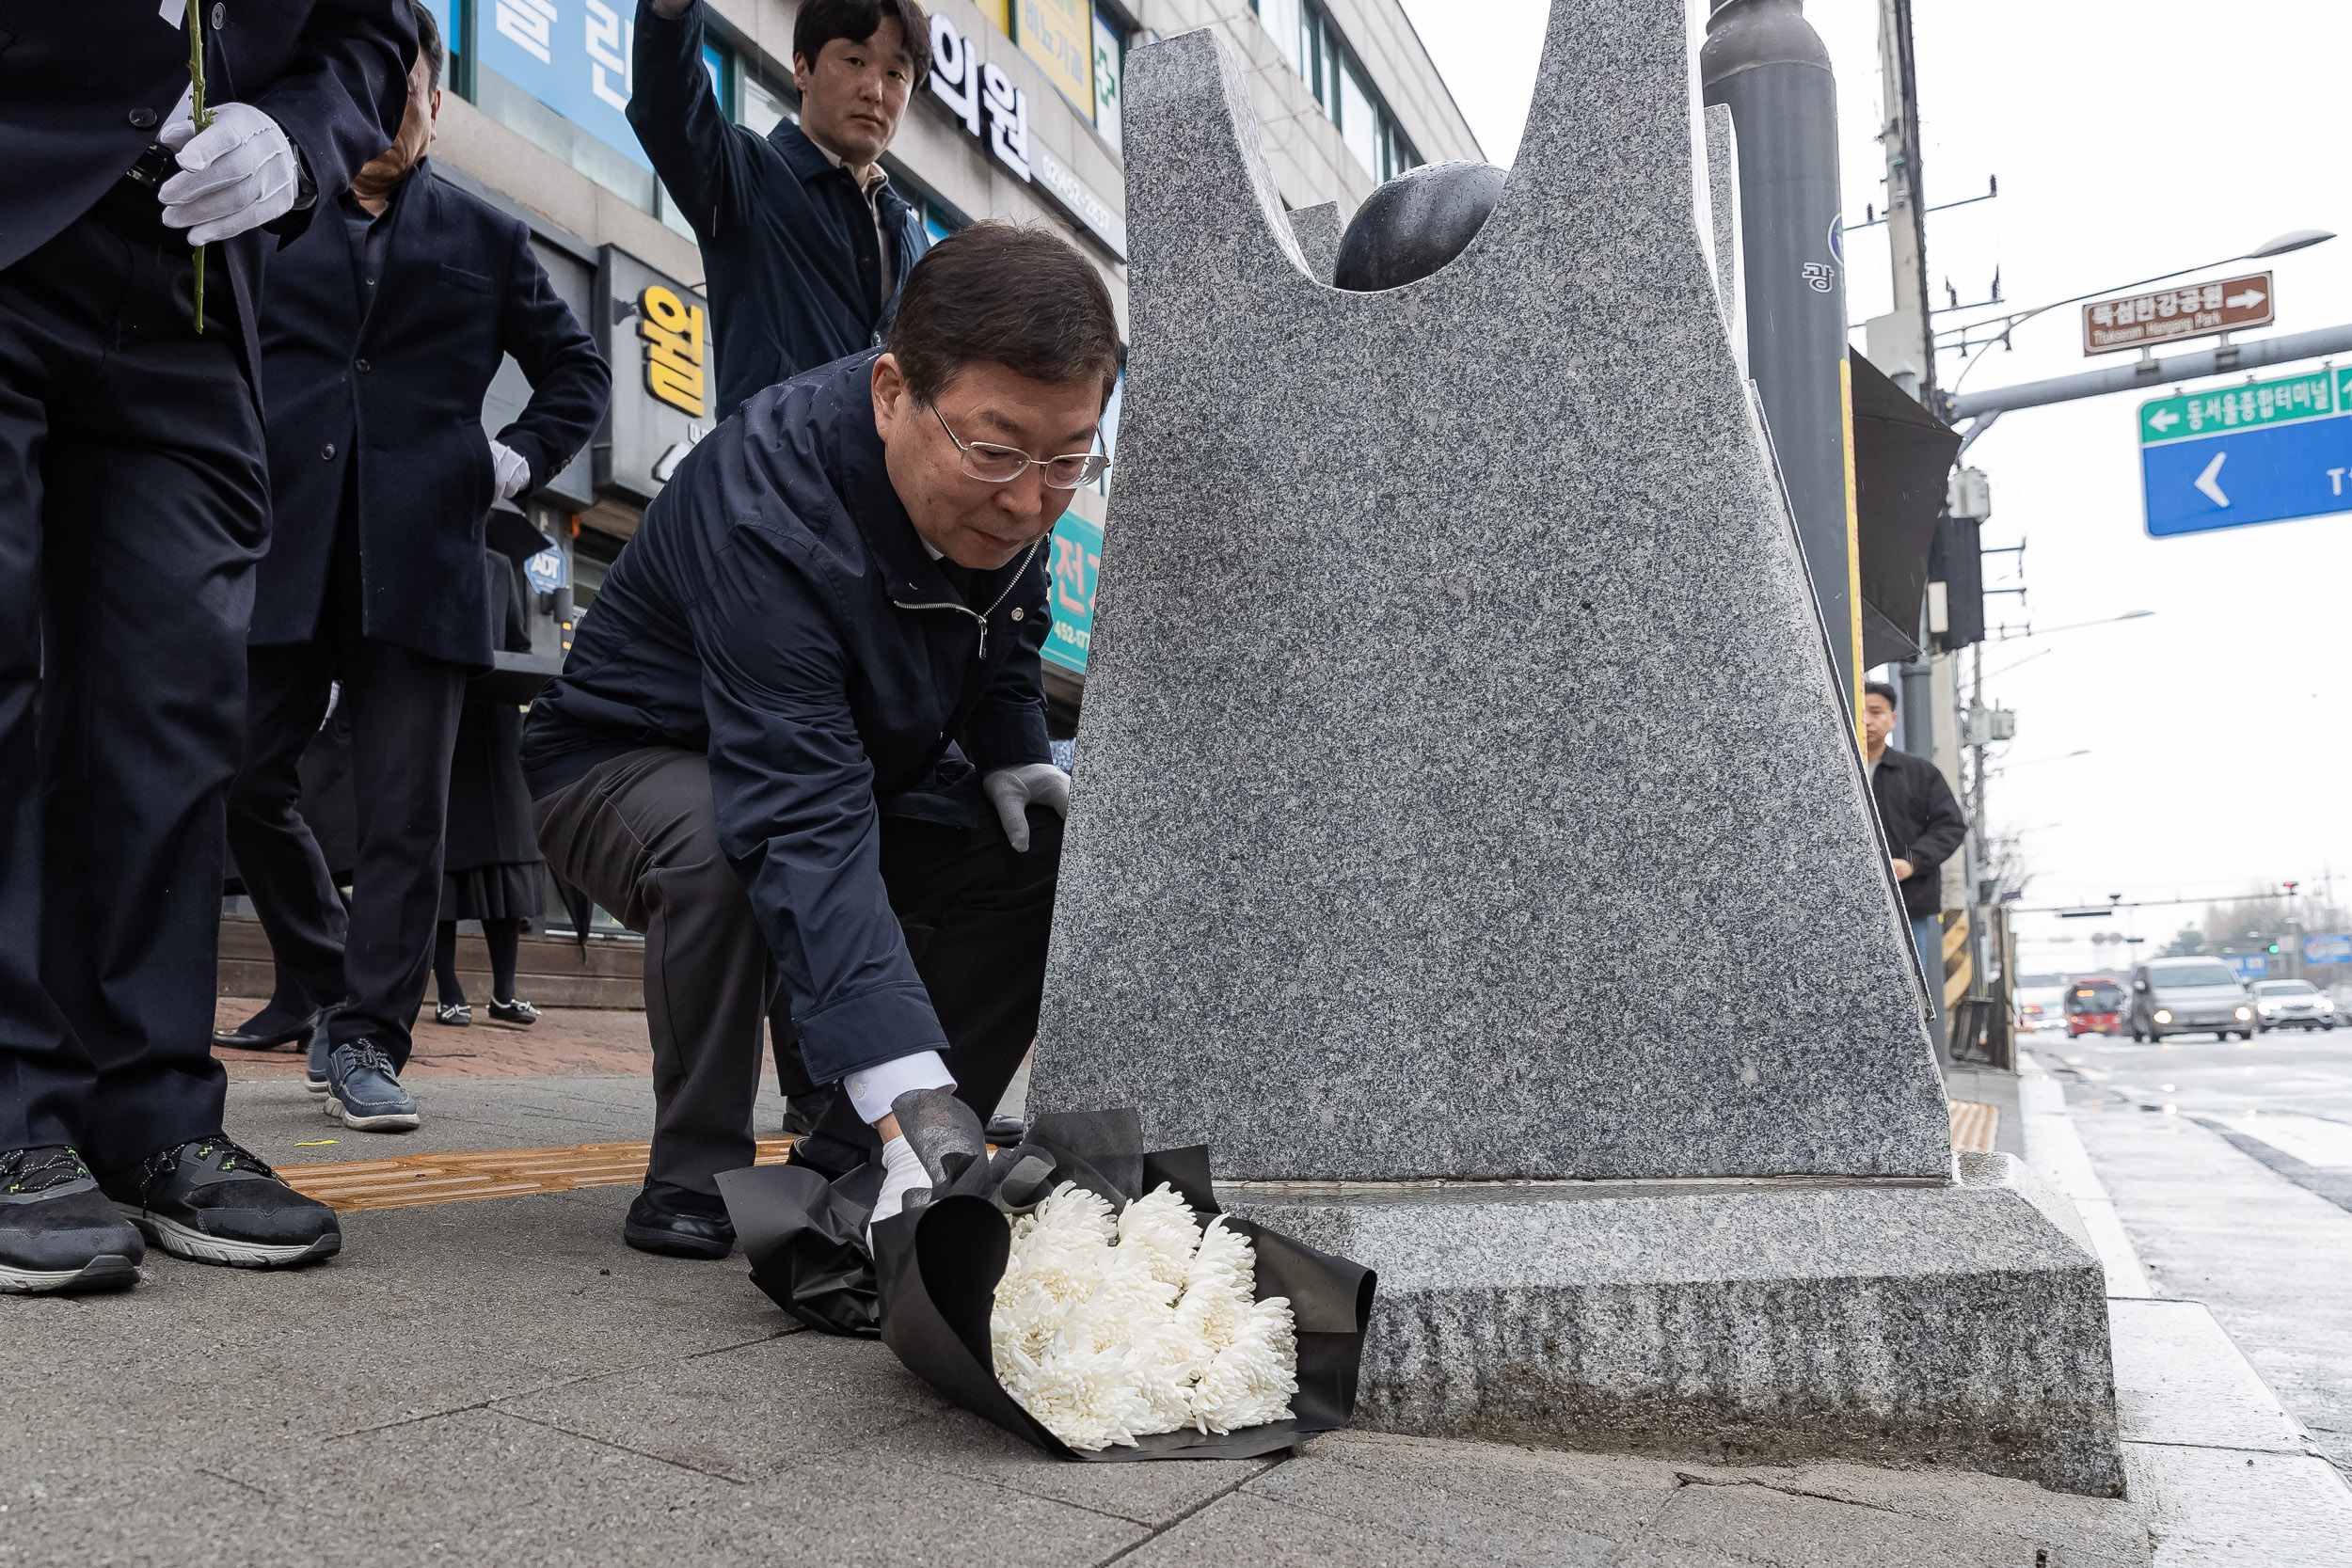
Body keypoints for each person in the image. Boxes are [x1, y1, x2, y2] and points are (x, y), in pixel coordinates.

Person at [523, 224, 1113, 1259]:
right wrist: (905, 1083)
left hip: (845, 768)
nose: (1029, 500)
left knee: (1043, 851)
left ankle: (876, 1155)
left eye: (1068, 458)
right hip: (622, 764)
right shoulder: (769, 507)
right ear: (892, 391)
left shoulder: (995, 482)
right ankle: (700, 1168)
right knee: (720, 847)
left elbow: (1004, 630)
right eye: (996, 450)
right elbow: (796, 811)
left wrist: (1018, 744)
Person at [0, 1, 414, 1293]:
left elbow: (367, 35)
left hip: (189, 286)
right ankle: (13, 1109)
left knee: (171, 713)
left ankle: (149, 1108)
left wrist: (297, 135)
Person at [222, 8, 609, 1137]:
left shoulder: (487, 236)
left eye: (412, 91)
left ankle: (367, 1036)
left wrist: (514, 458)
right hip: (285, 547)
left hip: (424, 555)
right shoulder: (277, 219)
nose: (393, 112)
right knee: (241, 775)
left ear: (435, 105)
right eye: (376, 90)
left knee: (404, 816)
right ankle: (319, 969)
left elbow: (575, 371)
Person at [629, 0, 932, 420]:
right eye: (855, 60)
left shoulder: (916, 241)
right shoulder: (746, 175)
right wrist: (669, 12)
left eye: (895, 74)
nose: (874, 90)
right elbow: (670, 109)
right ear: (802, 69)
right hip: (763, 479)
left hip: (879, 486)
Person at [432, 551, 551, 1029]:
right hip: (443, 724)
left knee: (507, 861)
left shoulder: (502, 566)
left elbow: (519, 644)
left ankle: (504, 993)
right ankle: (448, 990)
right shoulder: (427, 553)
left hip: (495, 728)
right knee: (443, 863)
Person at [1863, 681, 1968, 1042]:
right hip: (1850, 904)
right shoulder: (1835, 772)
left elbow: (1950, 826)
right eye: (1860, 711)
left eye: (1875, 712)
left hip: (1910, 902)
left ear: (1892, 719)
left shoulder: (1919, 773)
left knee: (1908, 987)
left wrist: (1910, 862)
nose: (1867, 720)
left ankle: (1906, 1055)